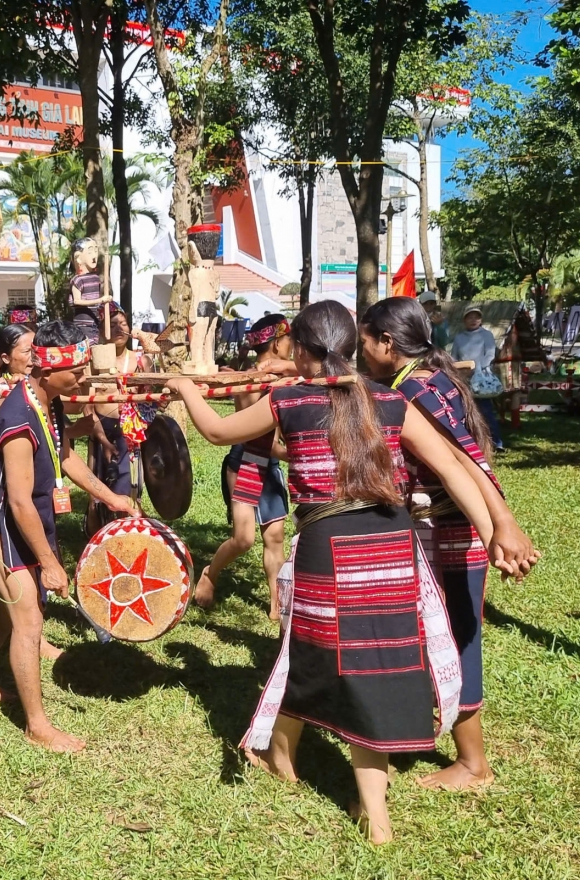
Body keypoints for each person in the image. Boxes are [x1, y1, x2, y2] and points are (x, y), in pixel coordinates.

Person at [166, 299, 535, 845]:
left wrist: (186, 390)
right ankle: (357, 803)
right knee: (374, 666)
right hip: (392, 544)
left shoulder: (287, 400)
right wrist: (494, 527)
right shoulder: (387, 400)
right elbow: (455, 466)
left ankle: (294, 764)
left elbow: (219, 433)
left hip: (329, 545)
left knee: (315, 654)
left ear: (304, 350)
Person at [359, 297, 538, 792]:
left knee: (457, 639)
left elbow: (465, 460)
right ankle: (412, 730)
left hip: (449, 535)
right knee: (431, 634)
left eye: (365, 341)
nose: (363, 350)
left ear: (387, 343)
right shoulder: (422, 378)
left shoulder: (417, 389)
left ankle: (473, 764)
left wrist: (502, 525)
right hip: (437, 530)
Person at [0, 321, 138, 752]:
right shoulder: (18, 416)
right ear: (46, 368)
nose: (82, 375)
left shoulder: (47, 402)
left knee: (4, 611)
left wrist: (110, 497)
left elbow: (63, 455)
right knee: (29, 618)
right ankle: (37, 725)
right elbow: (19, 502)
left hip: (24, 519)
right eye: (76, 368)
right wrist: (50, 562)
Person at [194, 314, 295, 619]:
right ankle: (210, 572)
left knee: (275, 536)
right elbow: (253, 430)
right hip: (246, 463)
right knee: (244, 539)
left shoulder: (288, 377)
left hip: (271, 464)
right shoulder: (249, 381)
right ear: (277, 344)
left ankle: (276, 605)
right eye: (289, 341)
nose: (292, 347)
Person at [86, 306, 153, 533]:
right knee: (96, 490)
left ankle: (128, 532)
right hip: (100, 429)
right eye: (112, 324)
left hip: (130, 432)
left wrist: (145, 341)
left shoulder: (139, 360)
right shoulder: (93, 361)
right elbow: (88, 407)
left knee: (130, 485)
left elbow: (152, 388)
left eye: (123, 324)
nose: (118, 329)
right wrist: (102, 440)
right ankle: (96, 535)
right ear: (103, 331)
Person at [451, 304, 504, 451]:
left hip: (481, 379)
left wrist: (476, 369)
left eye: (476, 317)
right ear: (464, 320)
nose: (473, 320)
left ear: (481, 320)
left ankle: (496, 441)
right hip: (464, 378)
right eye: (470, 317)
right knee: (464, 410)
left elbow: (490, 355)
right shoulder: (459, 338)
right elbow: (454, 357)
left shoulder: (486, 335)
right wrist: (460, 370)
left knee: (485, 410)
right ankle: (469, 442)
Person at [69, 238, 113, 344]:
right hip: (83, 323)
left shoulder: (95, 278)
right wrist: (100, 300)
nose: (94, 255)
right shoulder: (77, 280)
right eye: (89, 251)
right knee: (87, 348)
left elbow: (97, 303)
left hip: (94, 321)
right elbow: (77, 301)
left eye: (95, 251)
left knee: (95, 347)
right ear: (78, 258)